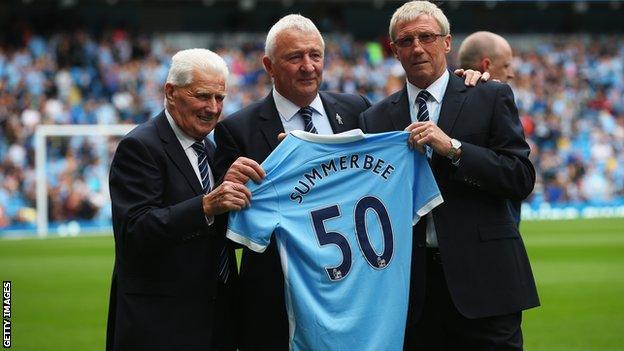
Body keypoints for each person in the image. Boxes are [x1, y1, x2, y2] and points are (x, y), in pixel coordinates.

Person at [359, 2, 539, 350]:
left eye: (426, 37)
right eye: (406, 41)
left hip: (486, 284)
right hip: (412, 293)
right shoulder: (376, 119)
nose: (417, 47)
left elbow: (520, 177)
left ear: (446, 43)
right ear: (394, 50)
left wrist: (455, 148)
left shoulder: (488, 95)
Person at [213, 14, 372, 349]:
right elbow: (230, 232)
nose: (308, 66)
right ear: (269, 66)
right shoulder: (237, 130)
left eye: (315, 55)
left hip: (354, 294)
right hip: (277, 303)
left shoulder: (357, 110)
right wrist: (232, 192)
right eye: (295, 57)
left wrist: (471, 82)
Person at [106, 48, 264, 351]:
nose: (213, 107)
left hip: (216, 322)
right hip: (161, 327)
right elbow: (135, 231)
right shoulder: (140, 147)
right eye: (203, 96)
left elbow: (216, 238)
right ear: (171, 92)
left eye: (220, 98)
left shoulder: (211, 150)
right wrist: (206, 205)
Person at [459, 31, 522, 225]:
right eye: (506, 65)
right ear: (486, 64)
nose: (511, 73)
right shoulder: (462, 105)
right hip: (487, 232)